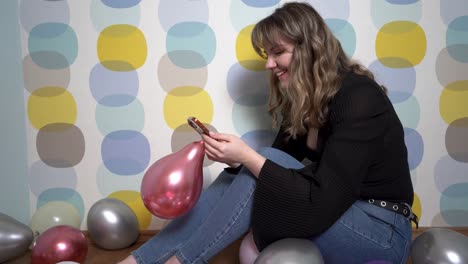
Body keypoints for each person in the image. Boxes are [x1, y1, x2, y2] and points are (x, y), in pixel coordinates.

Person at [118, 2, 417, 264]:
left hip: (381, 233)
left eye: (278, 52)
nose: (268, 63)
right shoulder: (304, 101)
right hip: (338, 215)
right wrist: (237, 161)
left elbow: (321, 200)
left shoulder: (359, 96)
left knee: (257, 163)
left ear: (310, 48)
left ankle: (180, 262)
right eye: (266, 54)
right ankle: (136, 261)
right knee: (240, 174)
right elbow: (277, 174)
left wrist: (248, 157)